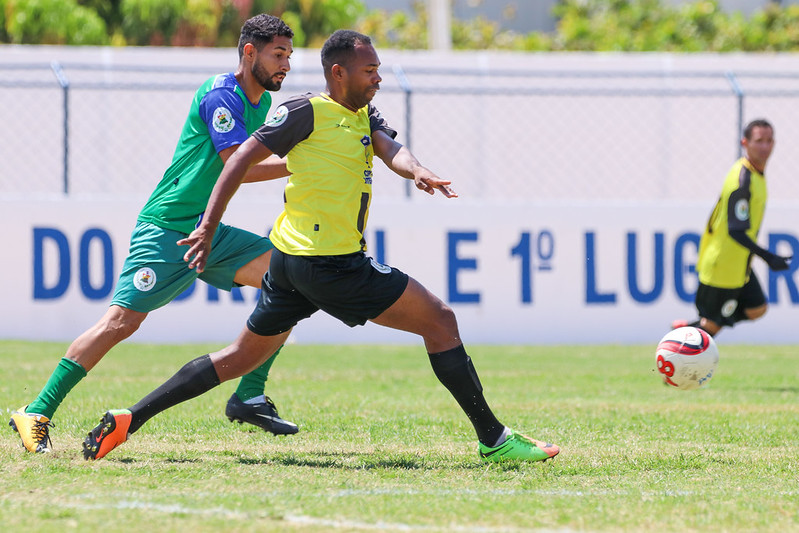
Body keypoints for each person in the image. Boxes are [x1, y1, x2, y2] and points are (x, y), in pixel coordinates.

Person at [80, 29, 560, 463]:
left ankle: (127, 419)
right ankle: (494, 440)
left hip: (289, 264)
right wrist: (208, 226)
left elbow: (391, 147)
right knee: (440, 321)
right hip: (328, 265)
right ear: (339, 72)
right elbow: (237, 161)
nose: (378, 78)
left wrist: (418, 170)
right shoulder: (306, 111)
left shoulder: (362, 114)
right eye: (369, 70)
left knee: (237, 358)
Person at [9, 14, 299, 454]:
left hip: (208, 229)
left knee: (291, 280)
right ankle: (36, 411)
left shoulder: (261, 104)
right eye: (279, 55)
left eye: (289, 57)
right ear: (249, 51)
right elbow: (234, 165)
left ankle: (249, 396)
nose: (286, 65)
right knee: (120, 323)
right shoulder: (222, 95)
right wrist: (305, 165)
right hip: (167, 228)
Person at [672, 119, 791, 336]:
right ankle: (676, 347)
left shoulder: (755, 174)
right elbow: (735, 230)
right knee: (708, 333)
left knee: (757, 309)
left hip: (738, 264)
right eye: (758, 141)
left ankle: (695, 326)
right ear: (745, 143)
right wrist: (768, 257)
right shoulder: (742, 180)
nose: (765, 147)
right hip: (723, 265)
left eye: (769, 141)